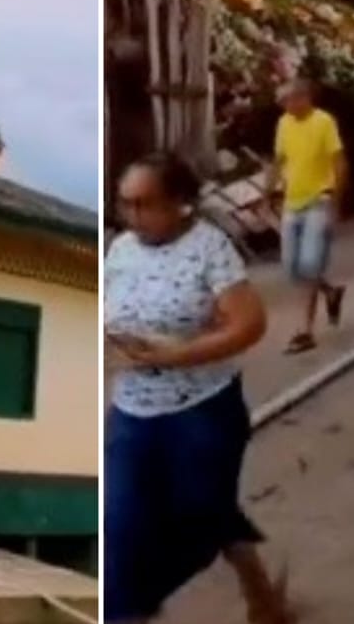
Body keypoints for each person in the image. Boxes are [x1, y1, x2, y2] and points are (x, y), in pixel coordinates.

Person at [104, 153, 292, 624]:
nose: (133, 216)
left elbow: (249, 324)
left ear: (182, 204)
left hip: (202, 412)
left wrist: (175, 356)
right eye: (126, 204)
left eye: (147, 204)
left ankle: (260, 596)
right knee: (121, 531)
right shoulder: (120, 249)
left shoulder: (210, 248)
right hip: (132, 414)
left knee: (200, 517)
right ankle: (130, 608)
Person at [267, 77, 346, 355]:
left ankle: (305, 330)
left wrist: (336, 203)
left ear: (304, 97)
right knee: (292, 267)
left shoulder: (324, 122)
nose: (285, 105)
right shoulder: (284, 124)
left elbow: (338, 162)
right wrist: (269, 190)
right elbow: (279, 159)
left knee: (310, 263)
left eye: (288, 99)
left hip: (319, 200)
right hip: (292, 202)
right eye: (282, 101)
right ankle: (330, 292)